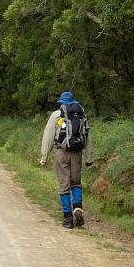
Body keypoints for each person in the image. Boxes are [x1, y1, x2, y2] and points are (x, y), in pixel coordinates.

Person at [39, 89, 93, 229]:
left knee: (64, 185)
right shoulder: (81, 114)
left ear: (61, 102)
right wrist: (89, 157)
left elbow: (48, 136)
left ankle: (68, 217)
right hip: (77, 152)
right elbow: (87, 136)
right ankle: (77, 207)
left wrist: (44, 157)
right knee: (76, 182)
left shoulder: (56, 115)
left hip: (62, 152)